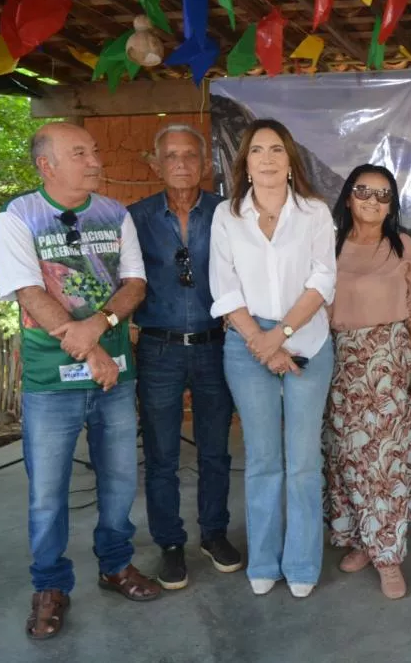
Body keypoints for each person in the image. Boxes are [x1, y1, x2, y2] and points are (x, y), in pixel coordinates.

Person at [0, 122, 161, 641]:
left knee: (117, 481)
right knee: (47, 493)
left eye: (92, 151)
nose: (95, 160)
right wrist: (93, 351)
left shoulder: (115, 214)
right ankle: (49, 586)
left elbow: (135, 283)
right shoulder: (19, 216)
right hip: (51, 379)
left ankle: (115, 566)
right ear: (47, 165)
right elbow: (28, 292)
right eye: (80, 153)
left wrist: (101, 326)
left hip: (112, 374)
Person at [209, 119, 336, 599]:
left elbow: (322, 281)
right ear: (245, 161)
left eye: (276, 150)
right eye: (257, 150)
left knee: (303, 461)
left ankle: (302, 563)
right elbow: (224, 288)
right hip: (246, 346)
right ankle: (264, 560)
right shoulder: (228, 215)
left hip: (307, 343)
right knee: (263, 460)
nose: (266, 158)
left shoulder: (315, 213)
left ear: (290, 161)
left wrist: (278, 337)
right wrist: (260, 342)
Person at [127, 124, 240, 590]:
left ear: (206, 164)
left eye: (189, 155)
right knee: (161, 455)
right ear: (155, 164)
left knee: (216, 450)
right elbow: (122, 279)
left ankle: (214, 534)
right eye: (170, 155)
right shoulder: (134, 218)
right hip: (158, 348)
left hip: (215, 345)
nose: (180, 163)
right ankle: (170, 544)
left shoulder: (228, 213)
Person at [324, 164, 411, 600]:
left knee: (383, 464)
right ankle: (363, 542)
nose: (372, 200)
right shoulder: (328, 245)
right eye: (364, 191)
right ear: (348, 197)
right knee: (347, 457)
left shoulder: (401, 245)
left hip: (391, 360)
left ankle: (389, 558)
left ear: (392, 206)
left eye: (383, 194)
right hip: (340, 362)